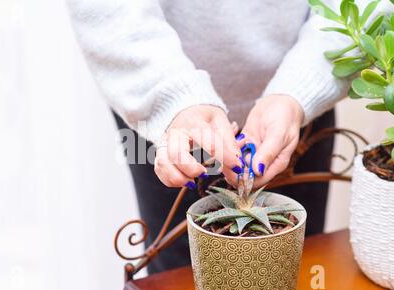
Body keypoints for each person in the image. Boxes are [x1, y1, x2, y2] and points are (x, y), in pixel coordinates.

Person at [66, 0, 376, 273]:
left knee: (299, 270)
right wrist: (172, 100)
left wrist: (298, 92)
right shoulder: (163, 104)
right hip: (164, 111)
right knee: (177, 281)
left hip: (297, 108)